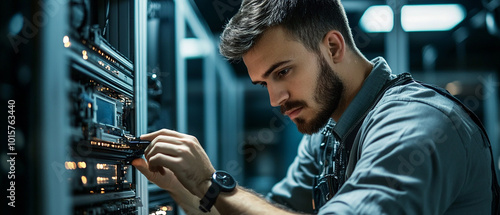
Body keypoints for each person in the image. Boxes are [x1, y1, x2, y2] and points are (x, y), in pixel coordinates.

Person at [132, 0, 499, 214]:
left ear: (334, 47)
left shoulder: (415, 123)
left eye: (283, 71)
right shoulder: (328, 134)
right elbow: (265, 210)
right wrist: (184, 190)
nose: (275, 99)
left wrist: (210, 184)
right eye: (264, 83)